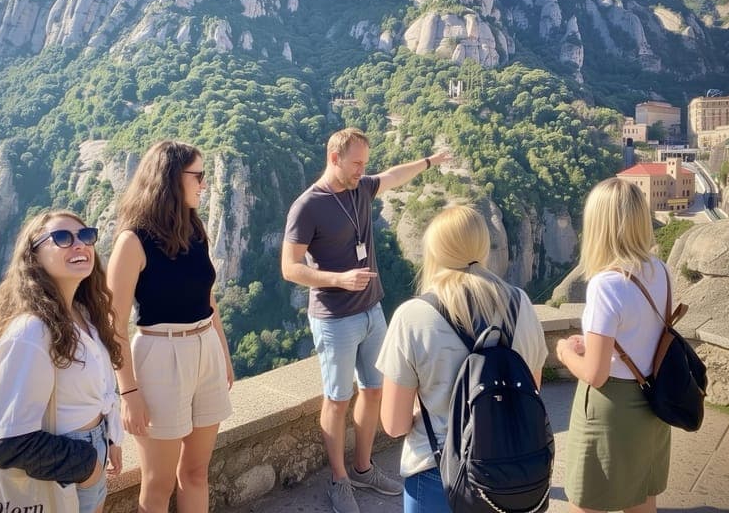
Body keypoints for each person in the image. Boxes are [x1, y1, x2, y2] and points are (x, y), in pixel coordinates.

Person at [281, 127, 449, 513]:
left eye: (365, 164)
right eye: (356, 163)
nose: (362, 170)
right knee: (337, 399)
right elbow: (290, 268)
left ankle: (363, 468)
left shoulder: (361, 188)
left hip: (372, 310)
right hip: (334, 318)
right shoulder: (307, 206)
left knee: (374, 390)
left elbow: (393, 176)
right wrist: (337, 279)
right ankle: (339, 481)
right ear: (334, 158)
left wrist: (427, 162)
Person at [375, 205, 547, 513]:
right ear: (482, 245)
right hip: (511, 477)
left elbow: (394, 424)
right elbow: (531, 391)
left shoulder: (412, 316)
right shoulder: (521, 306)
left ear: (434, 250)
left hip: (436, 475)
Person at [107, 140, 234, 513]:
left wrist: (222, 355)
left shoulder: (195, 230)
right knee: (158, 483)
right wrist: (128, 392)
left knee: (196, 472)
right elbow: (113, 322)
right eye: (198, 175)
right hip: (160, 355)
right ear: (170, 179)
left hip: (204, 348)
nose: (204, 184)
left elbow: (208, 302)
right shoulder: (133, 241)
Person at [0, 210, 124, 513]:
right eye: (62, 238)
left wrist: (111, 438)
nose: (79, 244)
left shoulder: (84, 315)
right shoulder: (31, 331)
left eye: (86, 236)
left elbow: (98, 391)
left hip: (89, 454)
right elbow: (9, 444)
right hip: (66, 472)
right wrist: (88, 467)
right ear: (34, 256)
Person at [556, 177, 671, 513]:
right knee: (642, 500)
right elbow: (642, 334)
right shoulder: (660, 270)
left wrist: (564, 352)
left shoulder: (607, 284)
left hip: (610, 409)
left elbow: (595, 374)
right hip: (652, 403)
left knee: (589, 502)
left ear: (598, 225)